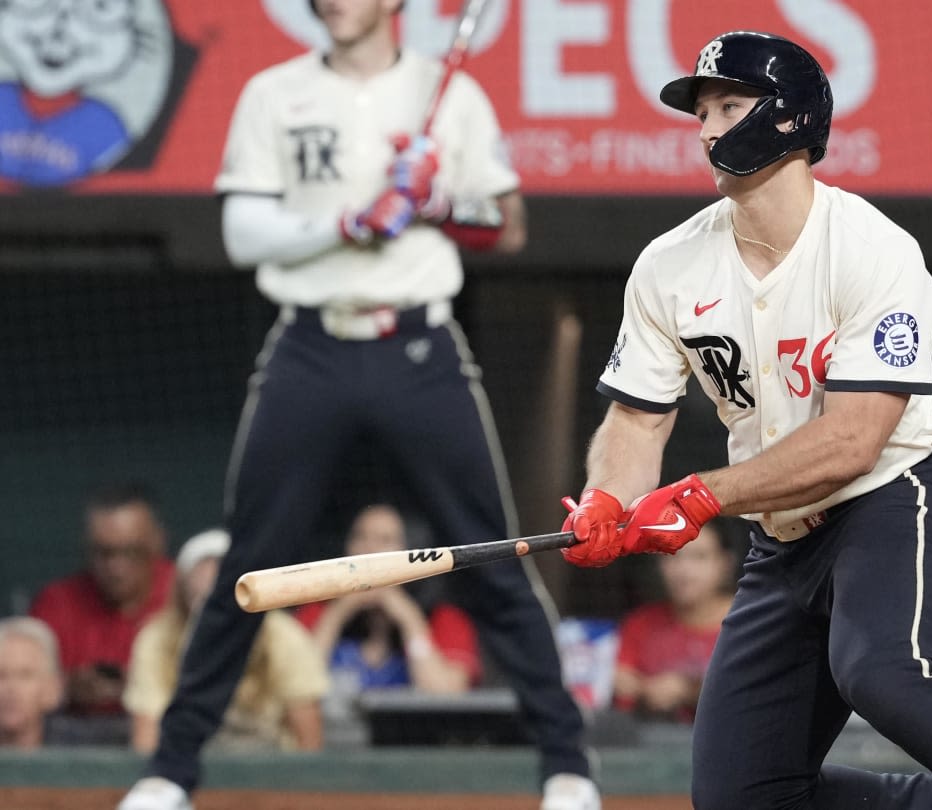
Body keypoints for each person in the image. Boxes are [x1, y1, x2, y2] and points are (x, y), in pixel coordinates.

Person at [559, 31, 932, 810]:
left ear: (791, 117)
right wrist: (607, 501)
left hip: (893, 499)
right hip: (781, 538)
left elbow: (856, 439)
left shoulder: (874, 249)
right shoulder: (668, 264)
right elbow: (637, 418)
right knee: (740, 795)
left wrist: (701, 496)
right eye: (701, 113)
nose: (709, 129)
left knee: (883, 674)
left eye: (729, 104)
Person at [116, 1, 595, 808]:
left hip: (418, 345)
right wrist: (347, 220)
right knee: (250, 560)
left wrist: (437, 200)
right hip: (310, 345)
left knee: (491, 556)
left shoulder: (453, 100)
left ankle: (568, 768)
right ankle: (169, 772)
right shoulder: (276, 92)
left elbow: (504, 226)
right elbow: (244, 232)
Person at [124, 530, 328, 754]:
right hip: (187, 767)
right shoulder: (157, 639)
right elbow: (146, 742)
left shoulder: (284, 636)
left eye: (223, 568)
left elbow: (309, 744)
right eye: (204, 601)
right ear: (182, 589)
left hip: (273, 774)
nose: (213, 580)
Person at [295, 504, 482, 694]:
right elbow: (293, 688)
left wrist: (410, 621)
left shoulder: (445, 619)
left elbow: (446, 696)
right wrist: (338, 614)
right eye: (360, 537)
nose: (368, 550)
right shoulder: (318, 612)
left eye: (384, 540)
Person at [30, 481, 174, 718]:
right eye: (104, 553)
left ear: (157, 542)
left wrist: (145, 686)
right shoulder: (57, 603)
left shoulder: (182, 596)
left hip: (164, 731)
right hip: (71, 739)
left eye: (130, 551)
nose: (116, 567)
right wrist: (66, 689)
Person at [610, 520, 738, 723]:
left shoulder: (745, 624)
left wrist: (688, 691)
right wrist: (637, 688)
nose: (684, 571)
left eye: (699, 557)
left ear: (725, 563)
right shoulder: (641, 623)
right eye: (673, 556)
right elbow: (620, 682)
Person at [0, 617, 64, 750]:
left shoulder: (78, 756)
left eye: (25, 675)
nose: (12, 689)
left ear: (52, 689)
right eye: (2, 676)